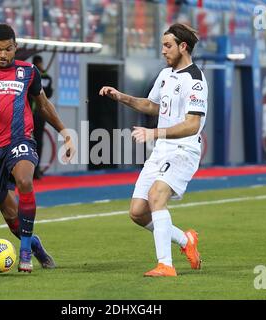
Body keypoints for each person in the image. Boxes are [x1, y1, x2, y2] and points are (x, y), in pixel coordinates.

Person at [0, 24, 75, 273]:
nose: (2, 55)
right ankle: (37, 246)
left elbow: (43, 105)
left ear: (15, 47)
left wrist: (65, 132)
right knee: (11, 217)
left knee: (25, 181)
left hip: (20, 139)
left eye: (8, 49)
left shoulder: (28, 71)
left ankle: (25, 253)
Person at [99, 23, 206, 277]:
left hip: (184, 149)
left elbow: (193, 125)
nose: (162, 50)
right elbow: (152, 105)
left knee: (157, 195)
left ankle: (165, 265)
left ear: (183, 47)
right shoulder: (165, 75)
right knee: (137, 212)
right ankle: (185, 240)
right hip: (162, 150)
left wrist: (155, 132)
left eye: (167, 45)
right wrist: (121, 97)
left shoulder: (196, 81)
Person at [31, 55, 54, 179]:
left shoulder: (46, 77)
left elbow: (48, 94)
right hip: (28, 113)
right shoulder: (29, 75)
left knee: (38, 141)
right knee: (27, 140)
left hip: (39, 114)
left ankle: (36, 168)